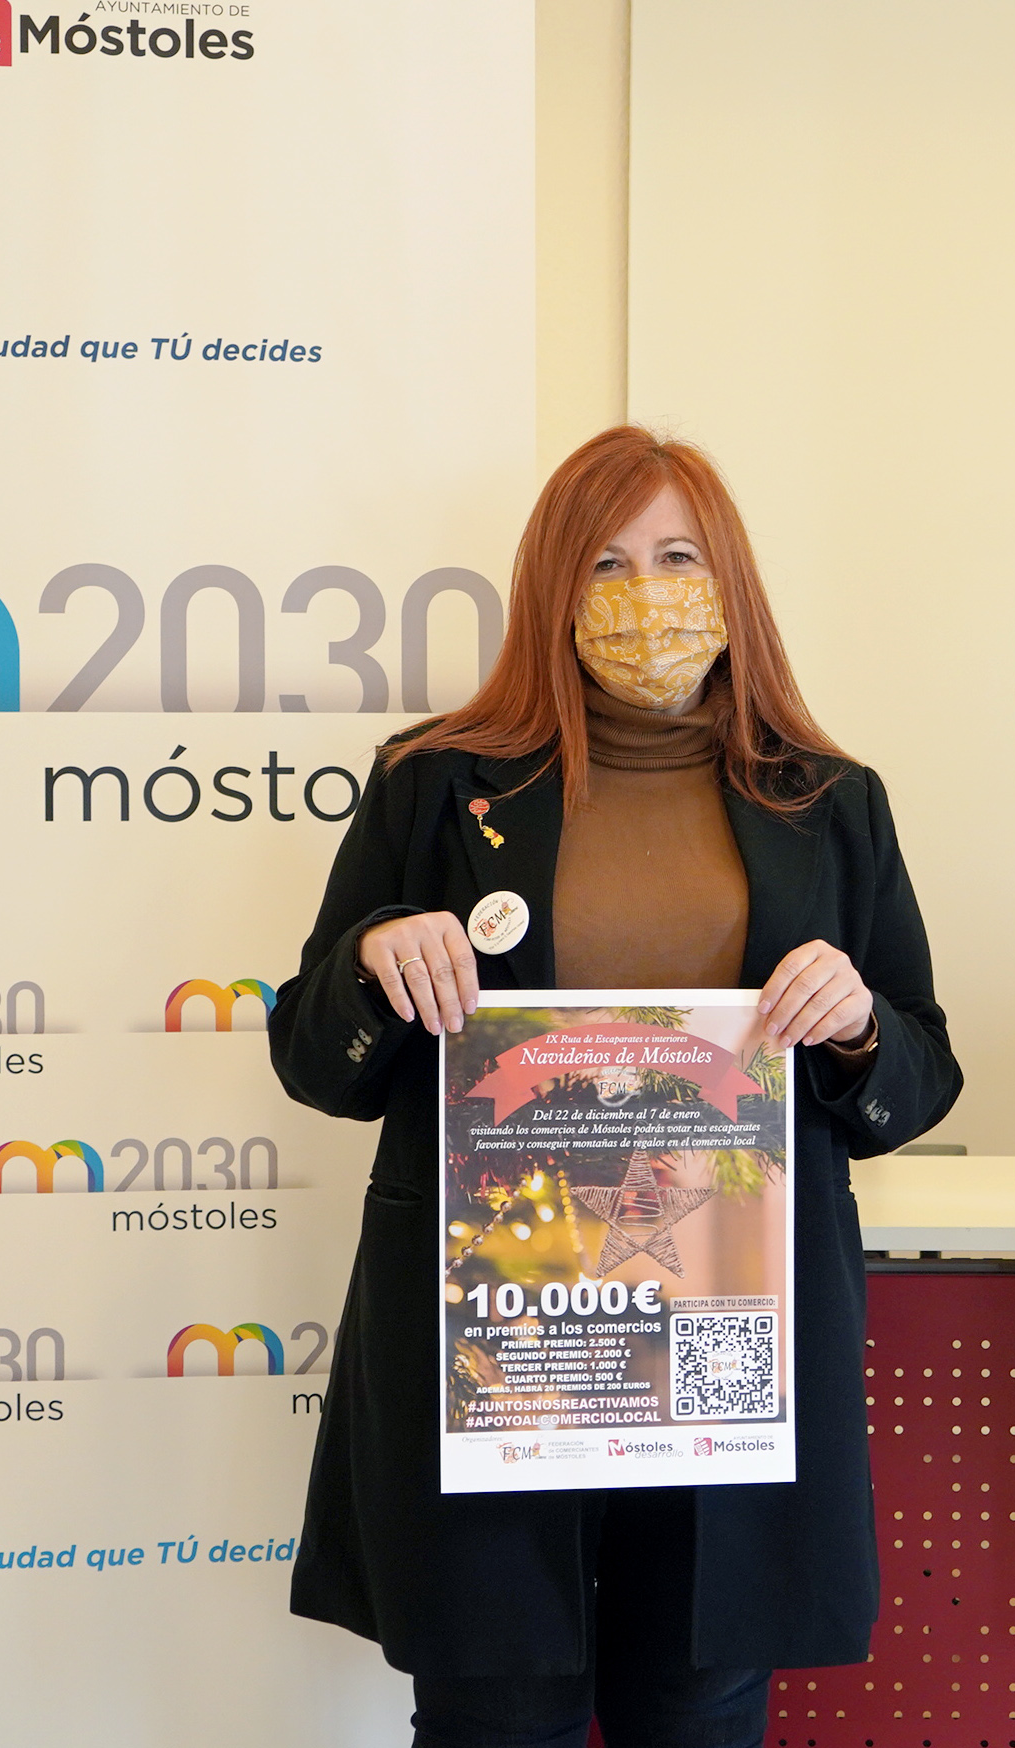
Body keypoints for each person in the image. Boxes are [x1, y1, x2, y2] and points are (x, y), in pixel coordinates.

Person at [269, 426, 962, 1748]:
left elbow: (919, 1077)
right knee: (496, 1712)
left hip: (730, 1336)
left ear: (730, 579)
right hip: (502, 1334)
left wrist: (859, 1026)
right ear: (553, 588)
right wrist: (371, 962)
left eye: (678, 556)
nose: (647, 590)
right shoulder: (438, 782)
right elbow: (313, 1058)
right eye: (606, 562)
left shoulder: (830, 801)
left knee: (699, 1708)